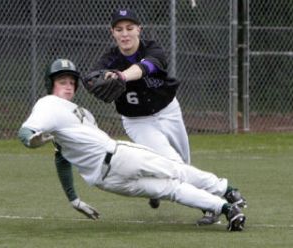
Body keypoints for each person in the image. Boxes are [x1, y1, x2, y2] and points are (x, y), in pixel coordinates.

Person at [18, 58, 247, 231]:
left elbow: (61, 156)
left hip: (114, 163)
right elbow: (27, 131)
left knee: (173, 178)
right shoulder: (48, 104)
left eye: (71, 82)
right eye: (61, 82)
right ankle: (227, 198)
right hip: (109, 175)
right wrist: (30, 140)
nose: (68, 86)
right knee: (171, 183)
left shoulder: (82, 113)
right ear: (51, 84)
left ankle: (227, 203)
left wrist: (73, 198)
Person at [83, 8, 217, 225]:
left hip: (168, 111)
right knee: (173, 163)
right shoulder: (109, 58)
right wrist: (95, 80)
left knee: (184, 163)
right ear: (112, 33)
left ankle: (157, 188)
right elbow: (90, 77)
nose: (125, 34)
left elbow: (148, 66)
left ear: (139, 30)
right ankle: (210, 206)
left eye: (129, 28)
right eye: (119, 29)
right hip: (138, 121)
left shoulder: (152, 48)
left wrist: (121, 76)